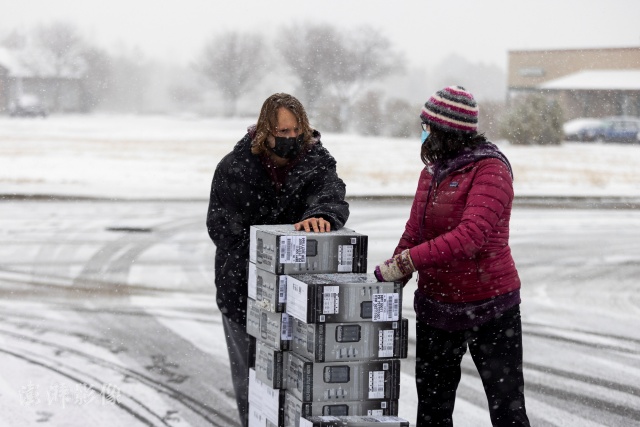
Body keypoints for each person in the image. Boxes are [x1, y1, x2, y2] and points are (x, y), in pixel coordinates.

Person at [374, 86, 530, 427]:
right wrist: (387, 276)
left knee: (507, 408)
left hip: (490, 306)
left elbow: (470, 237)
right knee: (432, 409)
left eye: (426, 127)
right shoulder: (432, 172)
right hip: (437, 306)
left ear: (445, 130)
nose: (422, 134)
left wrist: (409, 261)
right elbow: (415, 232)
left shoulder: (491, 170)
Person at [206, 93, 349, 427]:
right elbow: (220, 226)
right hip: (241, 292)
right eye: (280, 132)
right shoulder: (234, 166)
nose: (288, 138)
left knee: (294, 389)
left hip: (297, 302)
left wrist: (321, 214)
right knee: (252, 387)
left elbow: (331, 195)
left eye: (294, 130)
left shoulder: (317, 161)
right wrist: (267, 255)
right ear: (263, 132)